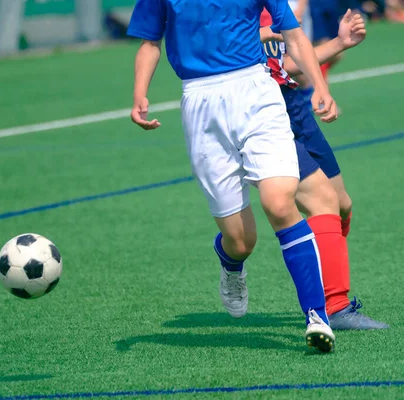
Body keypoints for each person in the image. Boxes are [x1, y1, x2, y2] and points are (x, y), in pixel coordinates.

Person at [127, 0, 338, 352]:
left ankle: (317, 316)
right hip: (200, 103)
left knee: (279, 202)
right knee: (241, 241)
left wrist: (320, 86)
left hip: (256, 91)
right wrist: (139, 94)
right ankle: (230, 262)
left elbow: (293, 34)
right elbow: (150, 42)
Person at [260, 9, 389, 329]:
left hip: (293, 107)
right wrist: (270, 33)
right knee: (322, 201)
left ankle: (328, 278)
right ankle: (335, 304)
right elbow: (214, 46)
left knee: (342, 204)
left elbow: (286, 63)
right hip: (259, 113)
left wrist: (340, 42)